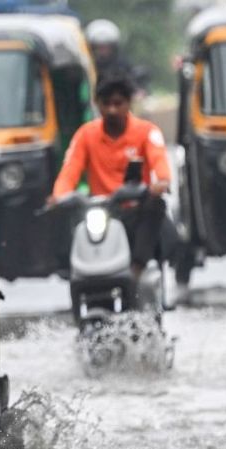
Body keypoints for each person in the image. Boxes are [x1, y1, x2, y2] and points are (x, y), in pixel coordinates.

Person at [49, 74, 171, 279]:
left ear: (128, 104)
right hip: (101, 211)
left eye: (118, 103)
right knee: (61, 215)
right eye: (106, 104)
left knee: (156, 205)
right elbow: (70, 169)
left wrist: (162, 182)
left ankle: (137, 269)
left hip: (134, 209)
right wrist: (59, 195)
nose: (112, 110)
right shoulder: (86, 135)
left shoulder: (146, 131)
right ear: (98, 105)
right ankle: (69, 268)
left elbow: (159, 162)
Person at [85, 19, 149, 94]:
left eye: (107, 47)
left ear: (114, 47)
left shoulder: (122, 66)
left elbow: (134, 86)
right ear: (91, 48)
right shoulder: (86, 68)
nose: (103, 51)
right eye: (99, 47)